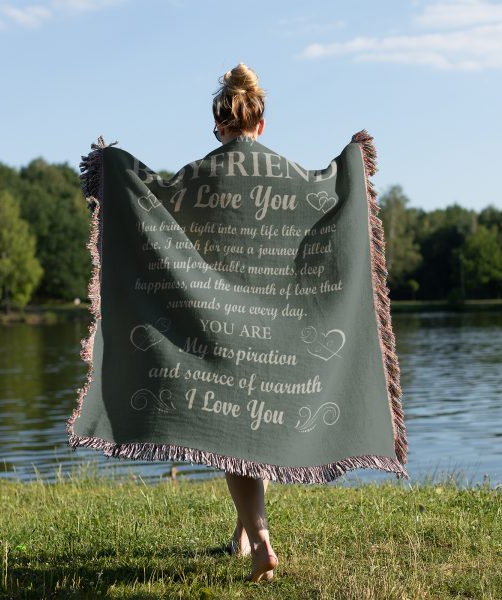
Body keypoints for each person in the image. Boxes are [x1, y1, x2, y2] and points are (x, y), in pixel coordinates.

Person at [211, 62, 277, 583]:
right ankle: (240, 536)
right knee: (257, 427)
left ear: (220, 125)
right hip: (277, 321)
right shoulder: (287, 177)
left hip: (220, 320)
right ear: (260, 123)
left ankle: (260, 542)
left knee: (233, 435)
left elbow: (157, 213)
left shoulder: (201, 175)